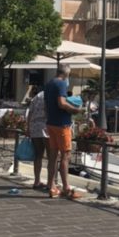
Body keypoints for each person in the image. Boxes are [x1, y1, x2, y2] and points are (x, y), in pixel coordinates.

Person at [44, 65, 81, 199]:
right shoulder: (60, 84)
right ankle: (66, 188)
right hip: (62, 124)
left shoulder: (49, 84)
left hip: (51, 123)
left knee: (53, 156)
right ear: (66, 74)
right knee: (66, 155)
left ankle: (51, 186)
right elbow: (61, 103)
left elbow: (46, 104)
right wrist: (75, 110)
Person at [25, 86, 49, 191]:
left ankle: (37, 181)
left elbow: (30, 112)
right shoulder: (51, 95)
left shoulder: (37, 96)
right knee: (51, 156)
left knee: (38, 155)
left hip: (35, 127)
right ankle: (50, 182)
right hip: (47, 127)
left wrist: (28, 127)